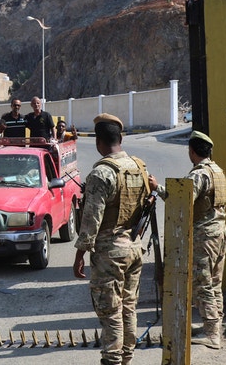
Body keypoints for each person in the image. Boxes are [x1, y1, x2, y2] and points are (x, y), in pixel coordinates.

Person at [73, 113, 150, 365]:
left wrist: (80, 254)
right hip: (134, 247)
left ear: (98, 142)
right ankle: (126, 358)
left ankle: (112, 359)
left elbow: (91, 220)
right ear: (121, 139)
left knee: (110, 310)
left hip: (110, 253)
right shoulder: (139, 166)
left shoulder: (101, 173)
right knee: (129, 306)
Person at [148, 130, 226, 350]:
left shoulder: (200, 174)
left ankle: (212, 334)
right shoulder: (218, 171)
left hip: (205, 237)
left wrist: (157, 188)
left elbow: (181, 200)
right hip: (219, 233)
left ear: (192, 151)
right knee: (215, 283)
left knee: (203, 284)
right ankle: (214, 327)